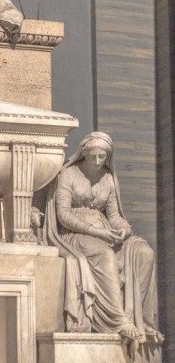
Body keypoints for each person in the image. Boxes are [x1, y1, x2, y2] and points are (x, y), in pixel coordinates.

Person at [45, 132, 163, 345]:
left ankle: (144, 321)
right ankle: (117, 320)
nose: (98, 161)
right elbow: (63, 215)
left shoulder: (108, 177)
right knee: (105, 254)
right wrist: (96, 231)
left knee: (145, 253)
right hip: (76, 235)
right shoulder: (69, 174)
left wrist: (125, 229)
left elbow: (115, 216)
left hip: (106, 232)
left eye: (102, 156)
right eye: (94, 156)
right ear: (84, 153)